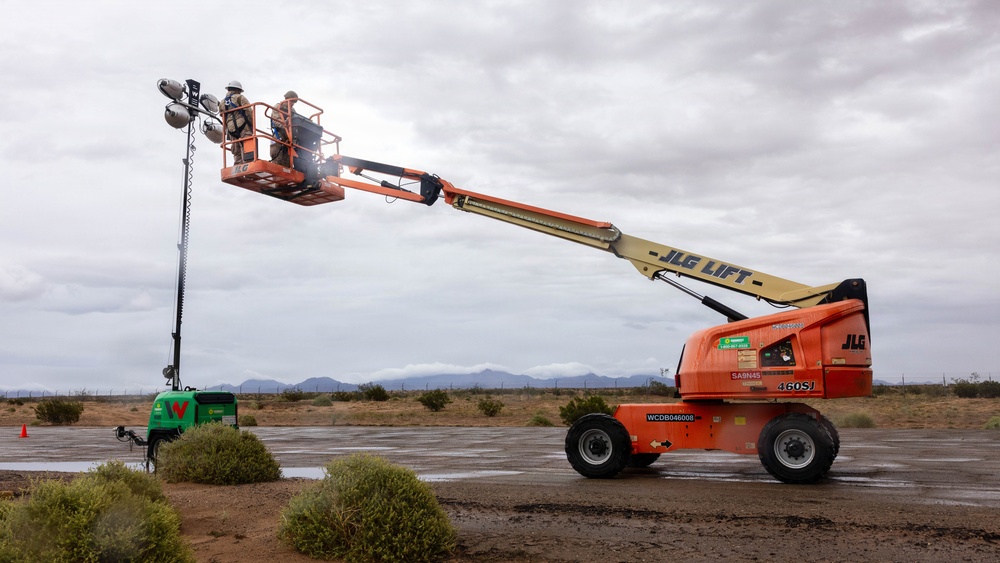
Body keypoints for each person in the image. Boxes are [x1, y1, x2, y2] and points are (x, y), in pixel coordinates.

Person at [222, 81, 253, 164]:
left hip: (231, 129)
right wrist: (251, 125)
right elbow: (249, 112)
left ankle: (237, 166)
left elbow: (223, 117)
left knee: (236, 149)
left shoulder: (222, 102)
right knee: (247, 146)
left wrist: (227, 130)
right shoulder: (241, 98)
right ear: (238, 90)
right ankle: (248, 164)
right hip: (243, 126)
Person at [270, 90, 299, 167]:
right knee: (276, 157)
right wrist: (286, 123)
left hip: (289, 137)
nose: (292, 104)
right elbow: (276, 121)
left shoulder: (293, 111)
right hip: (279, 134)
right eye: (292, 101)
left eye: (294, 102)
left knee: (288, 161)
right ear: (286, 99)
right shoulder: (278, 107)